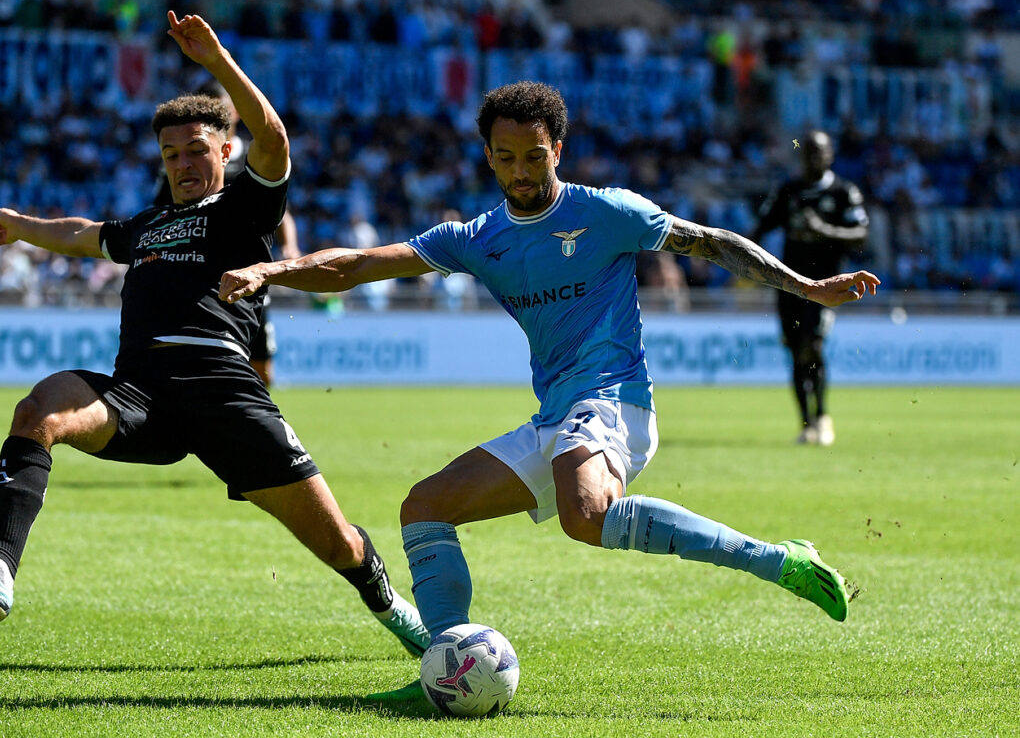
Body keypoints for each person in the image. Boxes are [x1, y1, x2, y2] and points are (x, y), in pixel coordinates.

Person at [217, 81, 879, 696]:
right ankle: (447, 668)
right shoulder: (479, 238)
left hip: (616, 402)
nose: (522, 172)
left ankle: (780, 561)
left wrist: (807, 286)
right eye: (505, 159)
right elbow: (359, 266)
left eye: (534, 156)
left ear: (556, 149)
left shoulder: (607, 212)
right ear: (489, 158)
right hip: (559, 417)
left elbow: (707, 242)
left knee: (583, 515)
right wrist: (273, 269)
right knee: (424, 508)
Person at [0, 11, 428, 659]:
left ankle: (401, 617)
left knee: (341, 545)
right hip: (140, 396)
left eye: (196, 151)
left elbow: (273, 134)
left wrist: (216, 62)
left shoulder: (243, 207)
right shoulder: (149, 223)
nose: (182, 163)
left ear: (224, 152)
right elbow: (82, 235)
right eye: (170, 154)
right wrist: (21, 225)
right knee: (39, 409)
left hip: (225, 394)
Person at [151, 80, 299, 387]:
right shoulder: (181, 164)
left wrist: (291, 248)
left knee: (261, 370)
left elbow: (282, 212)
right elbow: (162, 214)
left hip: (248, 272)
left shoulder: (253, 158)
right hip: (199, 273)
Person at [750, 130, 869, 446]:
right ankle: (806, 423)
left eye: (821, 152)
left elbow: (861, 233)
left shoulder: (844, 191)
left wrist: (824, 230)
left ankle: (823, 416)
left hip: (828, 287)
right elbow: (760, 228)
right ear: (801, 156)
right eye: (809, 152)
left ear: (831, 154)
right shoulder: (788, 190)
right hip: (790, 285)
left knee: (812, 345)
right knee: (795, 352)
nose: (814, 158)